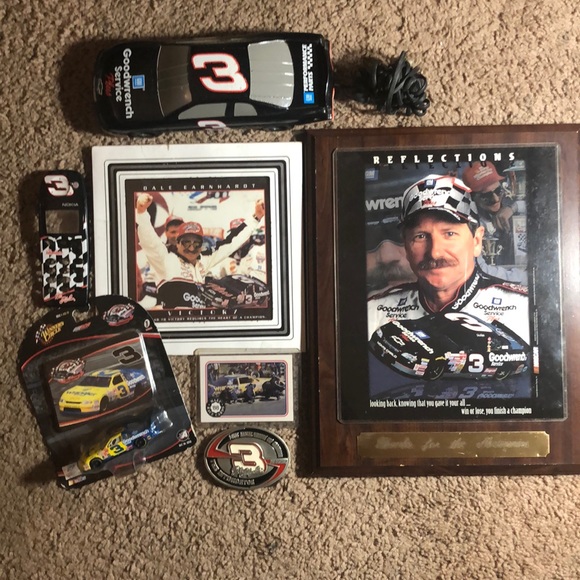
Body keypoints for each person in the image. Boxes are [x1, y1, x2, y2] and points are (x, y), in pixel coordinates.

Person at [367, 174, 529, 345]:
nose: (435, 253)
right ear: (406, 247)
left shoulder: (523, 310)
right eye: (420, 236)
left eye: (449, 234)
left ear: (476, 241)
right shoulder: (374, 312)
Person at [135, 193, 265, 285]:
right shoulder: (165, 259)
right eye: (186, 242)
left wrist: (256, 217)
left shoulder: (204, 260)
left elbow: (232, 242)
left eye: (196, 243)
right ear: (178, 243)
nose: (191, 247)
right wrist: (141, 212)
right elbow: (149, 240)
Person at [461, 161, 526, 267]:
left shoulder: (510, 203)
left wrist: (514, 207)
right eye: (487, 196)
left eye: (498, 191)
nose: (496, 199)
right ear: (472, 197)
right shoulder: (468, 222)